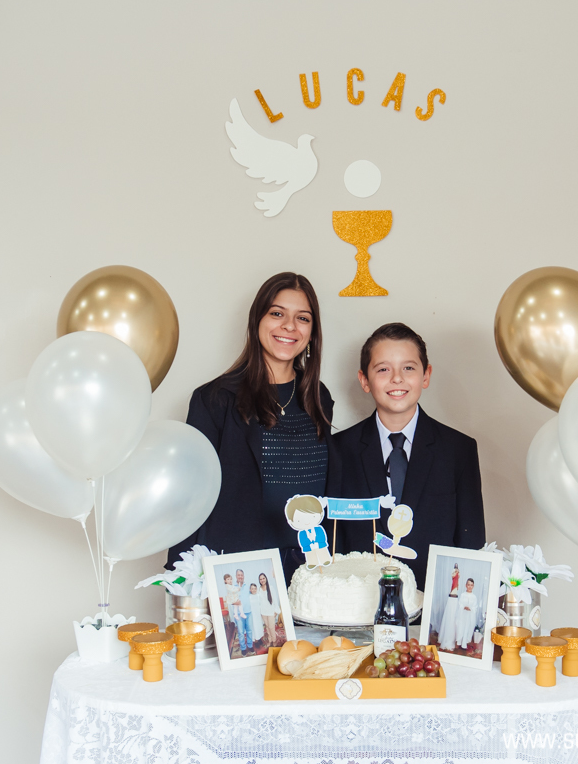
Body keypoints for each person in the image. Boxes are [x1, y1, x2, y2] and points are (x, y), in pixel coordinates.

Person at [166, 273, 338, 582]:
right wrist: (180, 582)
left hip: (311, 571)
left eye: (302, 318)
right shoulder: (215, 399)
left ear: (312, 333)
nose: (290, 326)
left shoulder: (318, 396)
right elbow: (189, 496)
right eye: (277, 313)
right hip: (240, 571)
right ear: (256, 320)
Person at [337, 323, 486, 588]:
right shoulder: (339, 449)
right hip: (359, 598)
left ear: (426, 376)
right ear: (364, 380)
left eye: (408, 368)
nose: (397, 378)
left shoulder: (458, 449)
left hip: (433, 600)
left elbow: (470, 543)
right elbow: (334, 539)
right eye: (383, 369)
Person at [456, 577, 479, 652]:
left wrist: (471, 609)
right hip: (463, 615)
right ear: (466, 585)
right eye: (468, 585)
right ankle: (459, 641)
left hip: (469, 615)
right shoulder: (463, 595)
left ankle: (464, 643)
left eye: (471, 585)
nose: (470, 587)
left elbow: (475, 607)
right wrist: (463, 607)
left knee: (467, 628)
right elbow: (459, 604)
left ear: (473, 586)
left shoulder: (474, 597)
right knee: (461, 627)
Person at [234, 569, 253, 656]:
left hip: (248, 612)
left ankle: (250, 645)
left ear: (243, 576)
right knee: (241, 632)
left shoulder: (247, 586)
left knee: (249, 631)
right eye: (238, 575)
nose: (240, 576)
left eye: (241, 575)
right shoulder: (233, 587)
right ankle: (243, 648)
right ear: (236, 576)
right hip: (239, 614)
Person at [256, 572, 279, 648]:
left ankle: (274, 640)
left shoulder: (271, 588)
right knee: (267, 627)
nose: (262, 580)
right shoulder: (259, 589)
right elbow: (258, 601)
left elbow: (275, 600)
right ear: (259, 580)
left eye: (263, 578)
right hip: (263, 612)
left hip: (271, 611)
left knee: (271, 627)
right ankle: (270, 640)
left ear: (266, 579)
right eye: (260, 579)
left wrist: (276, 611)